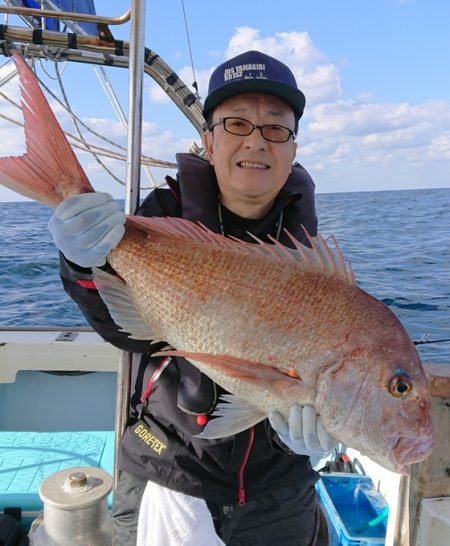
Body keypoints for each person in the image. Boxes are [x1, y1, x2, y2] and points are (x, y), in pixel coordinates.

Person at [48, 50, 337, 546]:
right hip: (169, 468)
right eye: (236, 123)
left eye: (275, 128)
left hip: (279, 488)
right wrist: (82, 264)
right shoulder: (160, 220)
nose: (255, 140)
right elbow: (124, 331)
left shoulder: (311, 255)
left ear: (293, 149)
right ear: (208, 140)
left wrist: (321, 437)